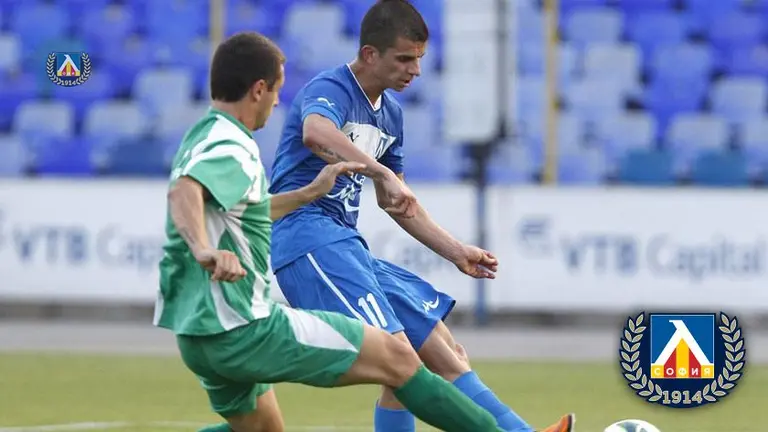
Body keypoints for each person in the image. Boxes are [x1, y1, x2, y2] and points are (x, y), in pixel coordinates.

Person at [153, 31, 510, 432]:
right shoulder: (230, 142)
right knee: (399, 358)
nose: (277, 102)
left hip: (196, 330)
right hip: (241, 325)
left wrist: (308, 193)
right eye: (277, 91)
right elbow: (184, 190)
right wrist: (203, 248)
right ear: (258, 90)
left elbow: (247, 211)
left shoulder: (203, 133)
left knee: (265, 430)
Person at [267, 1, 575, 432]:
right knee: (400, 360)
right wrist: (378, 172)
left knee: (442, 352)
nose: (415, 70)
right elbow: (316, 132)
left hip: (345, 244)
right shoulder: (332, 88)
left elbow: (399, 201)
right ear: (370, 54)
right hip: (307, 241)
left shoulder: (391, 115)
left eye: (419, 59)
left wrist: (455, 251)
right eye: (404, 59)